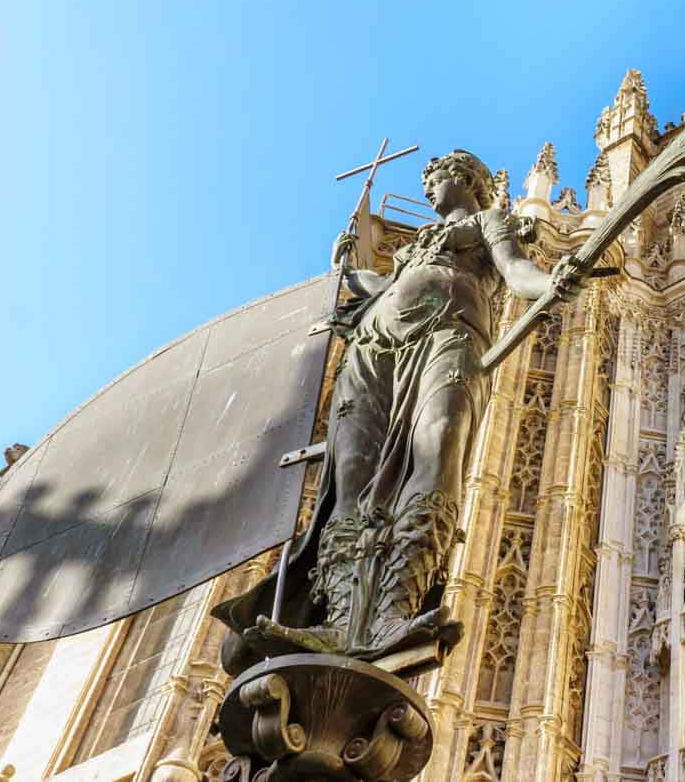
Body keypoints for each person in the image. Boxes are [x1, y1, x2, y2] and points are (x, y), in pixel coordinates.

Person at [213, 149, 584, 672]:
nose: (430, 191)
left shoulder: (485, 222)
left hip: (447, 337)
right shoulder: (416, 248)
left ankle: (392, 609)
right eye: (428, 184)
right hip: (373, 346)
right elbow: (381, 290)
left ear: (466, 180)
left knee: (437, 447)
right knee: (351, 479)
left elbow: (516, 270)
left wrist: (553, 283)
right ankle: (343, 617)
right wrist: (350, 267)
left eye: (437, 181)